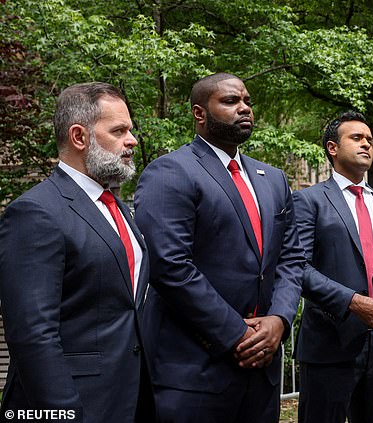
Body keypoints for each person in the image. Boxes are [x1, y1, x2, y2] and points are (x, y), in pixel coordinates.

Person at [134, 72, 305, 423]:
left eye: (247, 102)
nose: (244, 108)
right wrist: (237, 333)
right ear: (200, 113)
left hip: (262, 375)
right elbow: (170, 266)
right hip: (193, 372)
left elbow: (291, 257)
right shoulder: (170, 172)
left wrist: (279, 320)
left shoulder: (272, 178)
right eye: (230, 101)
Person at [0, 82, 152, 422]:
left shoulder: (117, 208)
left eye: (130, 129)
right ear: (79, 137)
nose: (132, 140)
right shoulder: (35, 212)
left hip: (128, 399)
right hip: (72, 404)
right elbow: (32, 334)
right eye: (119, 130)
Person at [293, 111, 373, 423]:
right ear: (332, 148)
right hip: (330, 343)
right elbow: (297, 268)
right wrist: (352, 302)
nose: (366, 144)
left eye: (369, 140)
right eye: (356, 138)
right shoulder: (308, 201)